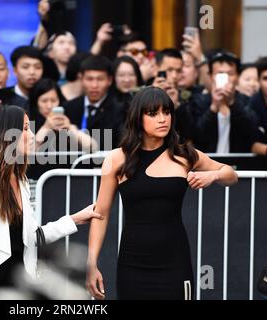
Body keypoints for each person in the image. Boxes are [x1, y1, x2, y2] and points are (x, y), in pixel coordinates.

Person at [86, 87, 238, 300]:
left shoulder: (184, 154)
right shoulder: (117, 158)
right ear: (138, 117)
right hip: (132, 264)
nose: (162, 119)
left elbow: (230, 174)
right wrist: (91, 262)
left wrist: (213, 176)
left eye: (166, 112)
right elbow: (100, 214)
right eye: (153, 113)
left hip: (175, 262)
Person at [0, 105, 103, 300]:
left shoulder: (21, 180)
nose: (32, 135)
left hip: (15, 289)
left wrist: (74, 219)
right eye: (25, 129)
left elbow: (31, 237)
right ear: (6, 135)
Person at [29, 78, 97, 152]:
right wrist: (46, 127)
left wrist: (70, 127)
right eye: (44, 101)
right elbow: (29, 151)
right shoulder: (28, 122)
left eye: (53, 100)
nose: (49, 106)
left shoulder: (68, 117)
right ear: (36, 102)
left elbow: (92, 147)